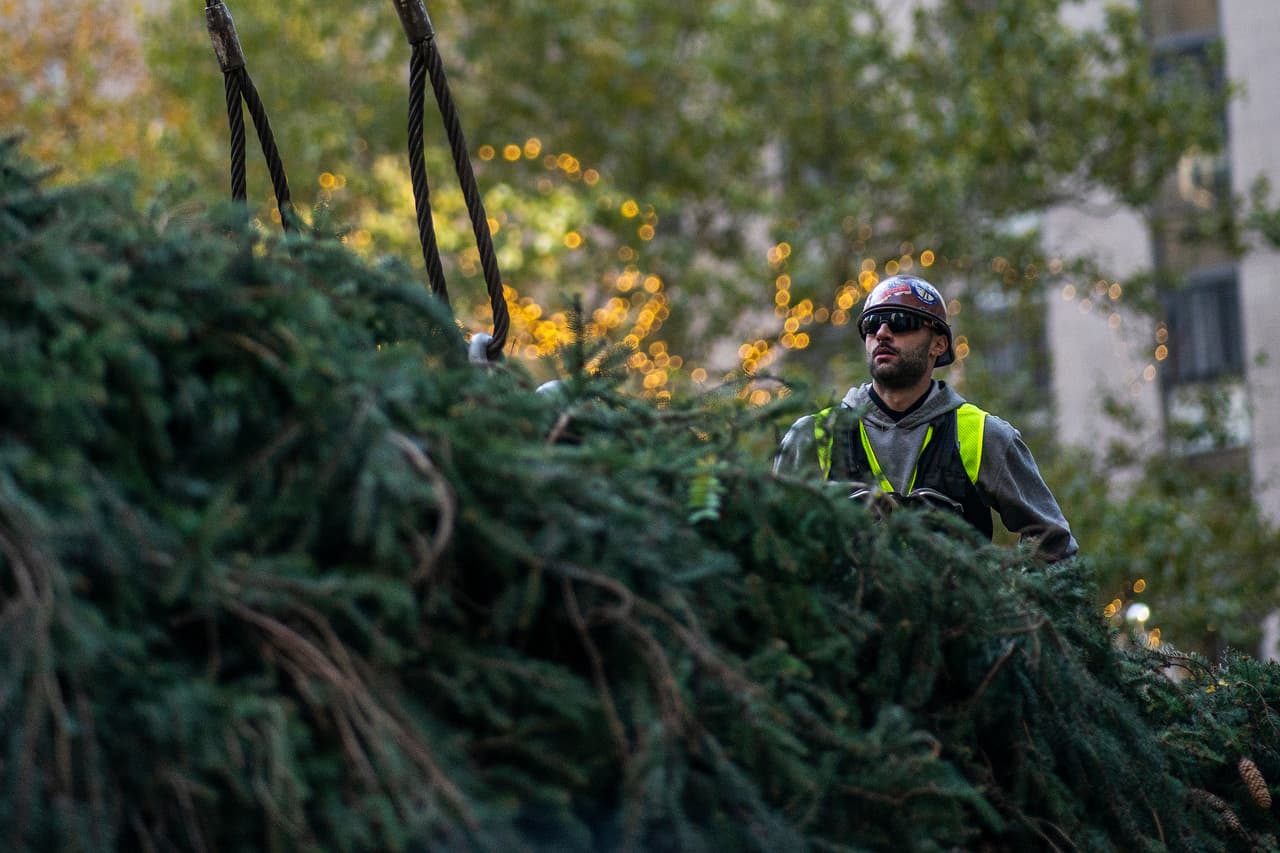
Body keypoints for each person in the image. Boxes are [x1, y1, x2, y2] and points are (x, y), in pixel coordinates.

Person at [773, 274, 1077, 562]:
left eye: (900, 322)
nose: (882, 333)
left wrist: (1006, 602)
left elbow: (1052, 540)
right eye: (872, 324)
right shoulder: (814, 435)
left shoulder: (983, 434)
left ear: (938, 344)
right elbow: (773, 540)